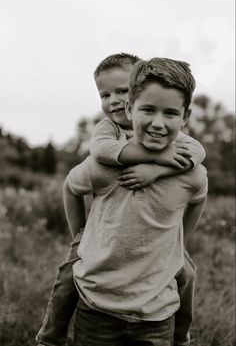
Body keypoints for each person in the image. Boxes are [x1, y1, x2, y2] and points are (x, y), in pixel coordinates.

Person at [36, 54, 206, 346]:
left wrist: (157, 171)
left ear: (185, 116)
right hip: (99, 305)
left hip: (156, 313)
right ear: (133, 107)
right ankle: (50, 337)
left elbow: (198, 174)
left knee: (186, 272)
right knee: (69, 274)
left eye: (121, 90)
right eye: (105, 94)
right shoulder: (106, 138)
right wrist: (80, 234)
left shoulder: (186, 164)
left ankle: (182, 336)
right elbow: (85, 172)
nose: (158, 123)